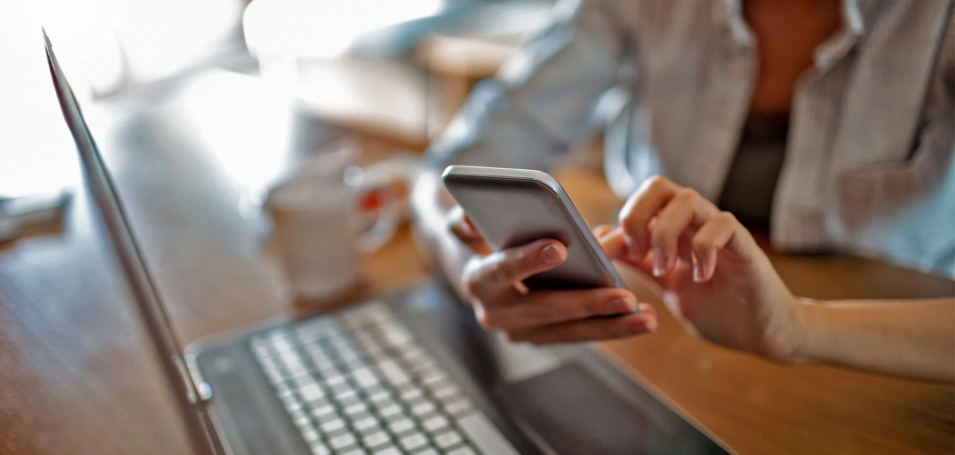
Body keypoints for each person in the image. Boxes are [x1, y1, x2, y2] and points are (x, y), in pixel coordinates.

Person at [411, 0, 955, 382]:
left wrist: (802, 325)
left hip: (886, 368)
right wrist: (466, 266)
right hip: (659, 345)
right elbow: (450, 170)